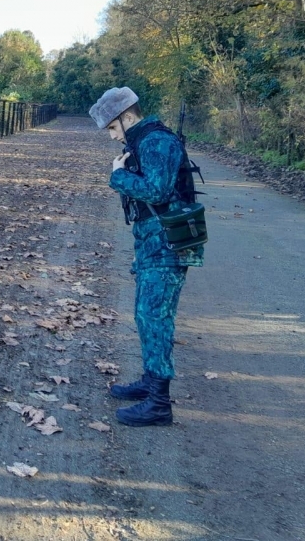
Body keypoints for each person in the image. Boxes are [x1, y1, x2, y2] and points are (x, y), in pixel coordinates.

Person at [89, 87, 203, 427]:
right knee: (146, 316)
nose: (113, 136)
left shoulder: (156, 141)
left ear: (128, 117)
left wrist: (118, 176)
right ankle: (150, 382)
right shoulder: (142, 142)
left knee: (155, 318)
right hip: (154, 243)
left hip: (168, 244)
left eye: (113, 127)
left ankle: (159, 403)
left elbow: (157, 190)